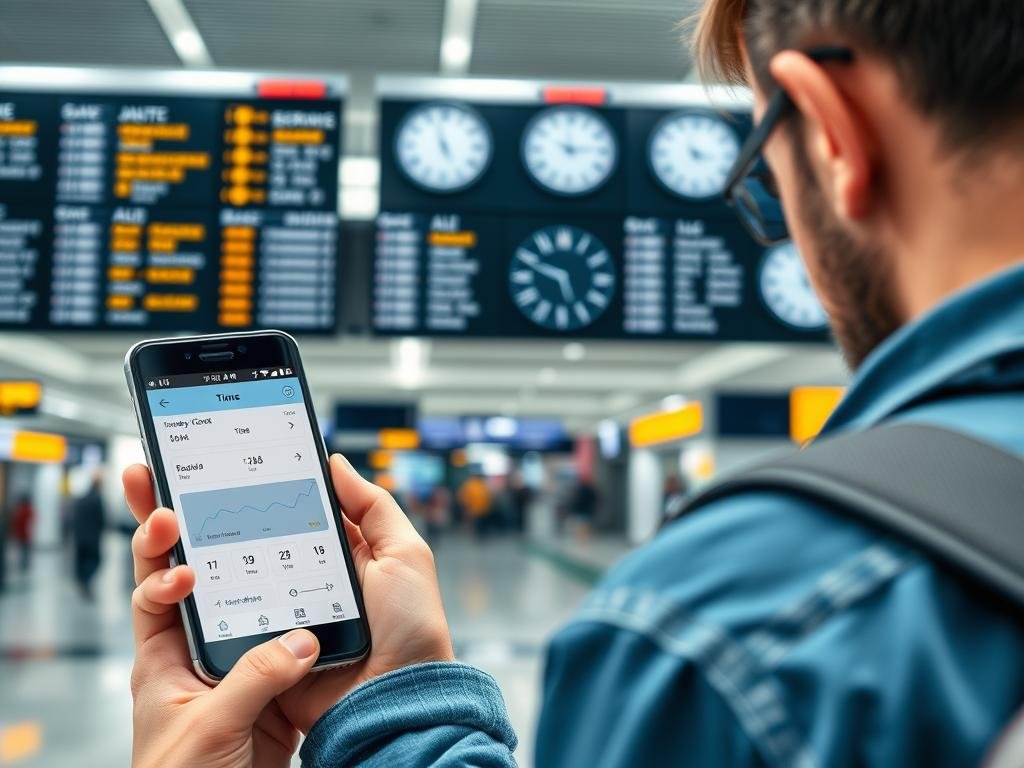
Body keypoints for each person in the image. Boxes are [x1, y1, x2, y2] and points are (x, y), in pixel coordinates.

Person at [127, 0, 1024, 763]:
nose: (785, 225)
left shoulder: (733, 627)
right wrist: (388, 700)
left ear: (835, 133)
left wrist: (390, 717)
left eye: (767, 177)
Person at [72, 475, 105, 599]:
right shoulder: (97, 499)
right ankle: (85, 580)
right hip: (92, 538)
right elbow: (102, 520)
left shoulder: (81, 499)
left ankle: (82, 580)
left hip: (79, 537)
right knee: (96, 560)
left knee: (81, 561)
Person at [457, 472, 492, 540]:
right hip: (477, 509)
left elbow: (462, 497)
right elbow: (463, 497)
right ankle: (478, 536)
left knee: (479, 525)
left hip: (479, 509)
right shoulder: (472, 484)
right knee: (477, 524)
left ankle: (479, 536)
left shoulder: (473, 484)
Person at [9, 495, 34, 574]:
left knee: (23, 549)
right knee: (24, 550)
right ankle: (24, 564)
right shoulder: (28, 510)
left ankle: (24, 564)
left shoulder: (22, 510)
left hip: (23, 533)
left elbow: (17, 521)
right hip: (24, 533)